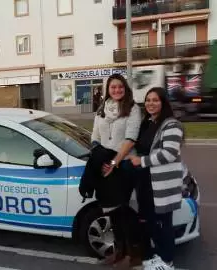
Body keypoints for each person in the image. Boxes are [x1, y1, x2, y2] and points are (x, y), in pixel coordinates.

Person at [86, 73, 142, 266]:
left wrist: (114, 162)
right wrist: (100, 154)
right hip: (105, 165)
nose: (117, 90)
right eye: (113, 87)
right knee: (112, 212)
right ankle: (119, 251)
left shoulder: (132, 109)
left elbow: (131, 138)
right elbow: (94, 136)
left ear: (125, 88)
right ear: (107, 89)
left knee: (125, 211)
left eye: (120, 87)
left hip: (123, 165)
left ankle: (134, 254)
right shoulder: (102, 109)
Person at [128, 87, 185, 270]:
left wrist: (141, 161)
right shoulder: (148, 123)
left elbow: (168, 154)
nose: (150, 104)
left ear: (163, 103)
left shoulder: (171, 125)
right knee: (150, 221)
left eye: (155, 100)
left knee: (163, 223)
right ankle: (158, 257)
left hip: (161, 184)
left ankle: (167, 260)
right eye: (148, 100)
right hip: (145, 181)